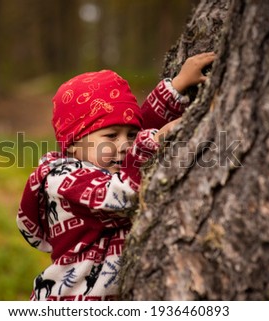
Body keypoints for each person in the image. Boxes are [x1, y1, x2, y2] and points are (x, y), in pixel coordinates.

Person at [17, 52, 216, 301]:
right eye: (111, 136)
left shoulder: (109, 163)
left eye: (130, 136)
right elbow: (123, 197)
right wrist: (153, 141)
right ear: (73, 144)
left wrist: (176, 88)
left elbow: (141, 131)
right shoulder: (63, 179)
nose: (125, 145)